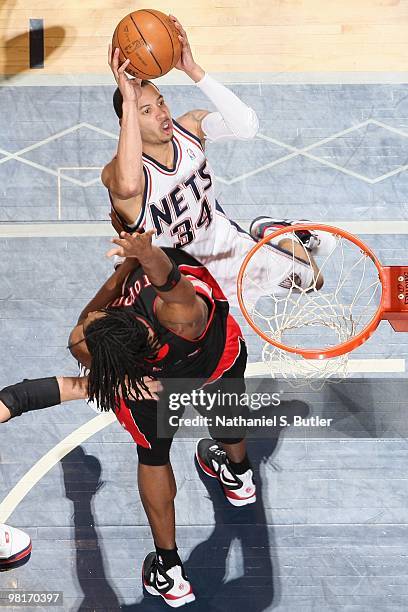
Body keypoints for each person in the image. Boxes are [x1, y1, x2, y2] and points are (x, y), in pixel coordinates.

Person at [0, 230, 258, 607]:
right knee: (225, 407)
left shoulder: (108, 365)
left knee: (154, 457)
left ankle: (169, 570)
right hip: (216, 357)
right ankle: (238, 475)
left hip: (151, 390)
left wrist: (121, 279)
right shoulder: (180, 317)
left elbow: (76, 335)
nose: (95, 313)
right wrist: (143, 254)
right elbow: (168, 278)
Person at [103, 15, 334, 309]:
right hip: (169, 278)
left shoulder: (189, 128)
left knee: (313, 280)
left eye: (161, 102)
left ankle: (273, 232)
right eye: (146, 110)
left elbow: (246, 127)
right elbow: (130, 183)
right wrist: (129, 100)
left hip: (227, 251)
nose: (162, 114)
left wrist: (193, 70)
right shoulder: (118, 173)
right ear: (128, 121)